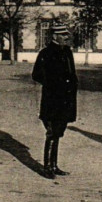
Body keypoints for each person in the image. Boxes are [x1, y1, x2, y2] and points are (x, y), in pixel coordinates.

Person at [32, 23, 78, 179]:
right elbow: (36, 75)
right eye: (63, 35)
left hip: (66, 99)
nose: (66, 37)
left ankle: (54, 165)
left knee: (59, 131)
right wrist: (54, 84)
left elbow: (72, 74)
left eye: (66, 35)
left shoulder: (67, 52)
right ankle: (47, 168)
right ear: (54, 36)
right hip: (52, 99)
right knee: (51, 132)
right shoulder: (45, 53)